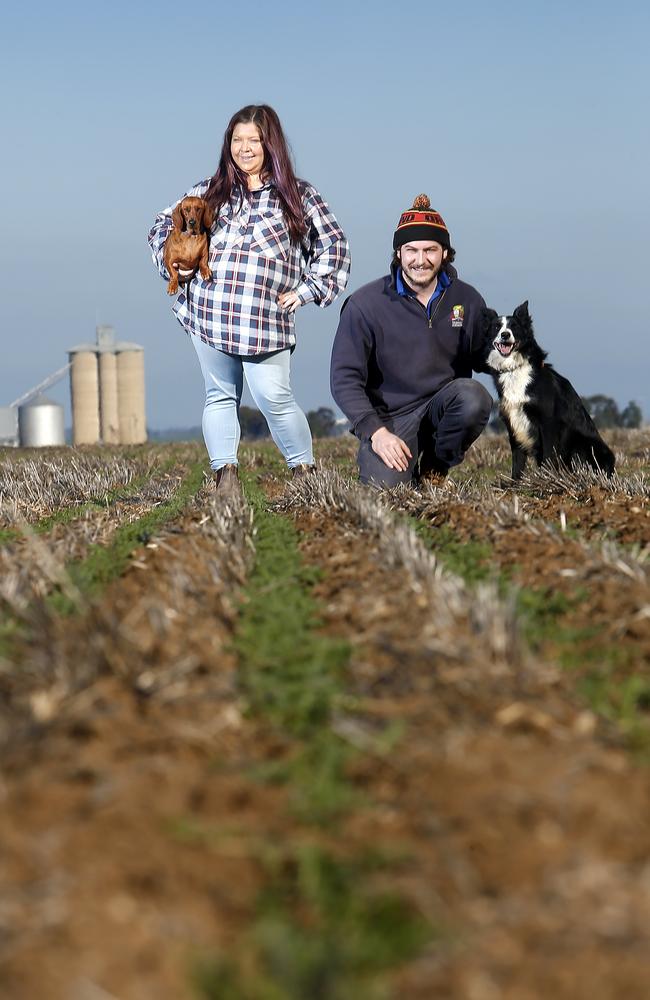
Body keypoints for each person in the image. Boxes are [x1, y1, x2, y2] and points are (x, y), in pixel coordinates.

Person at [148, 104, 350, 499]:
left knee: (274, 397)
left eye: (253, 140)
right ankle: (225, 478)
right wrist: (176, 268)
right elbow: (160, 227)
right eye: (237, 140)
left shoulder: (299, 195)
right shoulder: (208, 191)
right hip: (210, 312)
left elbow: (334, 247)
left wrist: (306, 291)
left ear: (270, 143)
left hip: (265, 319)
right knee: (219, 395)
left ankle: (305, 474)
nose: (244, 148)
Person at [330, 194, 492, 488]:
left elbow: (483, 355)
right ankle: (396, 465)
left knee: (474, 397)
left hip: (444, 404)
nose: (421, 260)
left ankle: (435, 467)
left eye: (430, 249)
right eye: (412, 250)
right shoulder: (365, 304)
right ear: (399, 254)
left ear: (445, 253)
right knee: (384, 491)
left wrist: (520, 360)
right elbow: (344, 378)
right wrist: (375, 432)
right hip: (392, 418)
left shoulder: (467, 299)